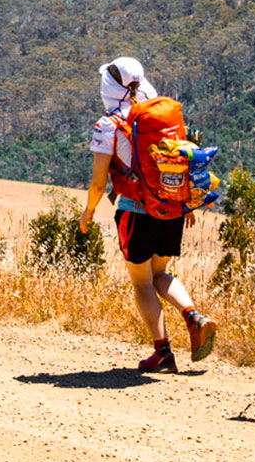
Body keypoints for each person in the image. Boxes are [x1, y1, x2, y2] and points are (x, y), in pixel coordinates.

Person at [77, 57, 215, 373]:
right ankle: (194, 316)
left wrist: (88, 213)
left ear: (110, 86)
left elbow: (99, 182)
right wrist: (185, 203)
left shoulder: (109, 125)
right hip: (171, 210)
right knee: (160, 274)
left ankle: (163, 352)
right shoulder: (160, 115)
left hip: (135, 210)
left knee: (142, 283)